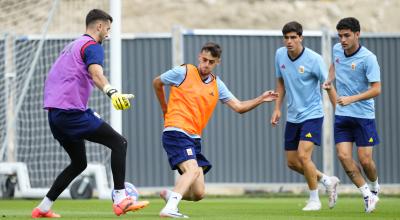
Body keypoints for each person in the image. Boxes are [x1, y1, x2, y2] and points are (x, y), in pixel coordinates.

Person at [31, 9, 149, 218]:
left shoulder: (72, 46)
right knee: (119, 143)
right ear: (99, 26)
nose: (108, 34)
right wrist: (112, 92)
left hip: (55, 115)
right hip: (71, 114)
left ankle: (42, 208)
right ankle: (120, 199)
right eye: (108, 29)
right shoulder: (92, 46)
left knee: (79, 163)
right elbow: (96, 74)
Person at [153, 42, 278, 218]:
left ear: (217, 62)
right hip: (176, 130)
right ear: (199, 56)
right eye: (204, 60)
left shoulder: (217, 84)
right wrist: (165, 109)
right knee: (193, 170)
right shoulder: (184, 72)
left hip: (194, 138)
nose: (206, 64)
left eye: (211, 62)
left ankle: (170, 196)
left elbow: (239, 106)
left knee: (198, 193)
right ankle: (170, 208)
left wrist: (261, 98)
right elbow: (157, 82)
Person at [270, 21, 340, 211]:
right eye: (286, 38)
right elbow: (280, 82)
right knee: (292, 162)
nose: (289, 41)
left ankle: (314, 199)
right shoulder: (279, 55)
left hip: (313, 115)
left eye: (293, 37)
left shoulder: (314, 60)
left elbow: (328, 85)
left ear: (301, 38)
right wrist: (277, 108)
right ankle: (327, 180)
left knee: (303, 156)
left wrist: (338, 111)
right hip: (293, 116)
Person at [329, 17, 381, 213]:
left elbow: (376, 89)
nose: (342, 40)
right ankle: (367, 193)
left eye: (347, 35)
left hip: (364, 116)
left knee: (365, 161)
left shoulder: (368, 58)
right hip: (342, 115)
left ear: (357, 35)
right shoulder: (336, 49)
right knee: (343, 157)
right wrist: (328, 80)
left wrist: (352, 98)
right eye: (340, 35)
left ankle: (375, 187)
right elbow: (334, 64)